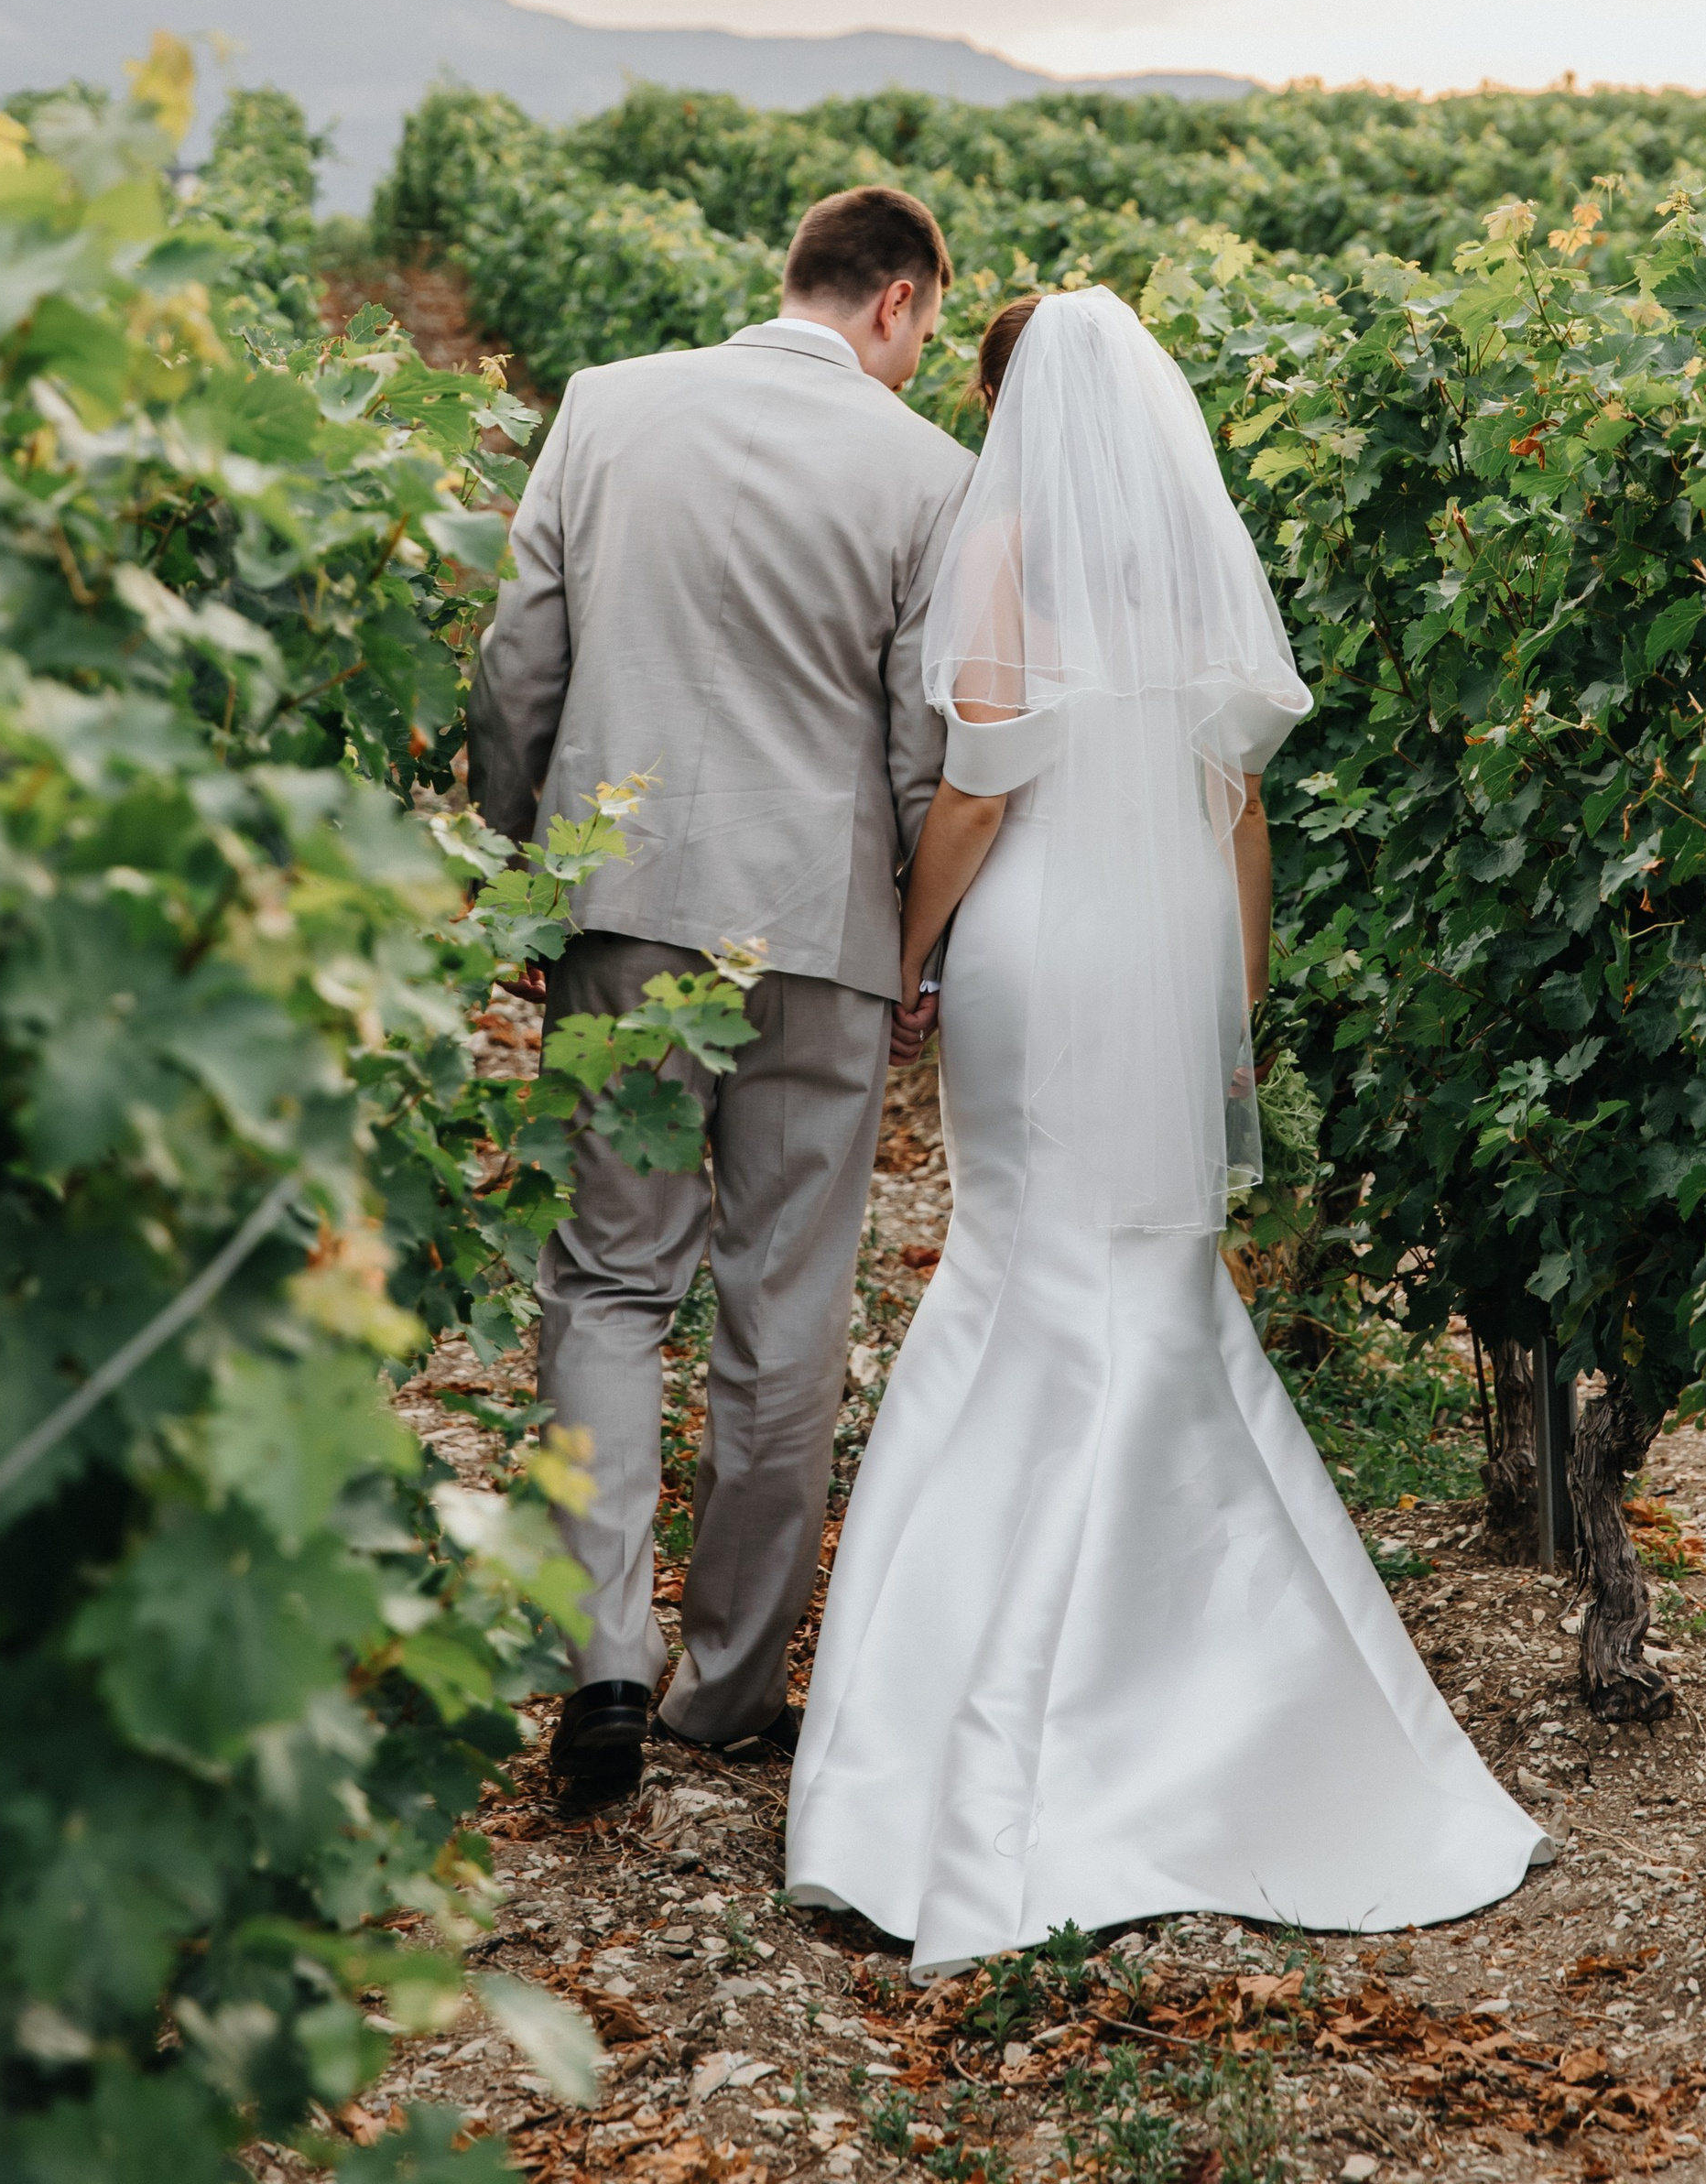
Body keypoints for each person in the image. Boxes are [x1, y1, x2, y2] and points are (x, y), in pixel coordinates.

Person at [785, 286, 1542, 1971]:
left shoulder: (1007, 558)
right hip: (1175, 931)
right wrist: (1232, 1013)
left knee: (1018, 1258)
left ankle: (982, 1742)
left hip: (1042, 937)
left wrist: (906, 958)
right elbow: (1243, 812)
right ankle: (1241, 1696)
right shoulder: (1194, 563)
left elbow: (980, 791)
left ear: (1011, 407)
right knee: (1157, 1267)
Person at [467, 182, 974, 1813]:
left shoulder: (607, 410)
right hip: (821, 930)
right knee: (785, 1300)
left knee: (609, 1282)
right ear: (896, 300)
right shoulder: (931, 476)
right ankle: (730, 1685)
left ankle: (599, 1658)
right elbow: (920, 743)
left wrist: (525, 864)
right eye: (929, 330)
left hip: (621, 908)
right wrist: (915, 946)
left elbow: (517, 659)